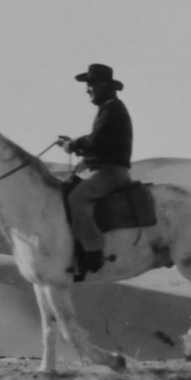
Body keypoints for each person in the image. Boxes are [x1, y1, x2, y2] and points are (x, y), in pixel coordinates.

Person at [57, 63, 133, 275]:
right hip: (102, 168)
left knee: (77, 199)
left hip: (111, 172)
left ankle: (93, 252)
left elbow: (98, 140)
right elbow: (99, 142)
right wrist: (75, 144)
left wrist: (72, 145)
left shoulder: (112, 109)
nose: (87, 89)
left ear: (105, 85)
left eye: (92, 84)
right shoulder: (108, 108)